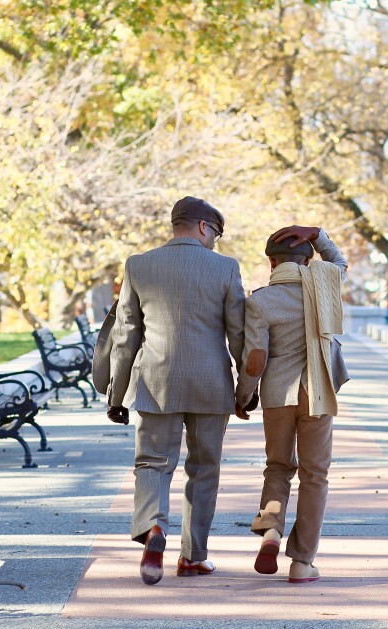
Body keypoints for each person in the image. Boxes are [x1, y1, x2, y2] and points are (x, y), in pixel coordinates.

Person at [107, 196, 245, 585]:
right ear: (203, 227)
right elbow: (239, 335)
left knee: (152, 462)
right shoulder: (225, 268)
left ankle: (153, 527)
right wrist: (246, 389)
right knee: (203, 469)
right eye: (216, 232)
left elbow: (125, 335)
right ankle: (193, 557)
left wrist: (117, 394)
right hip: (210, 383)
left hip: (156, 381)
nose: (216, 241)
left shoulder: (139, 265)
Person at [235, 225, 347, 583]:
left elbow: (255, 358)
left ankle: (270, 529)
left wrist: (244, 396)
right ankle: (302, 562)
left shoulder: (260, 301)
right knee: (315, 475)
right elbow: (339, 259)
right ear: (308, 260)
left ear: (271, 262)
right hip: (317, 394)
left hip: (278, 395)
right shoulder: (326, 284)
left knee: (278, 467)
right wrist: (316, 233)